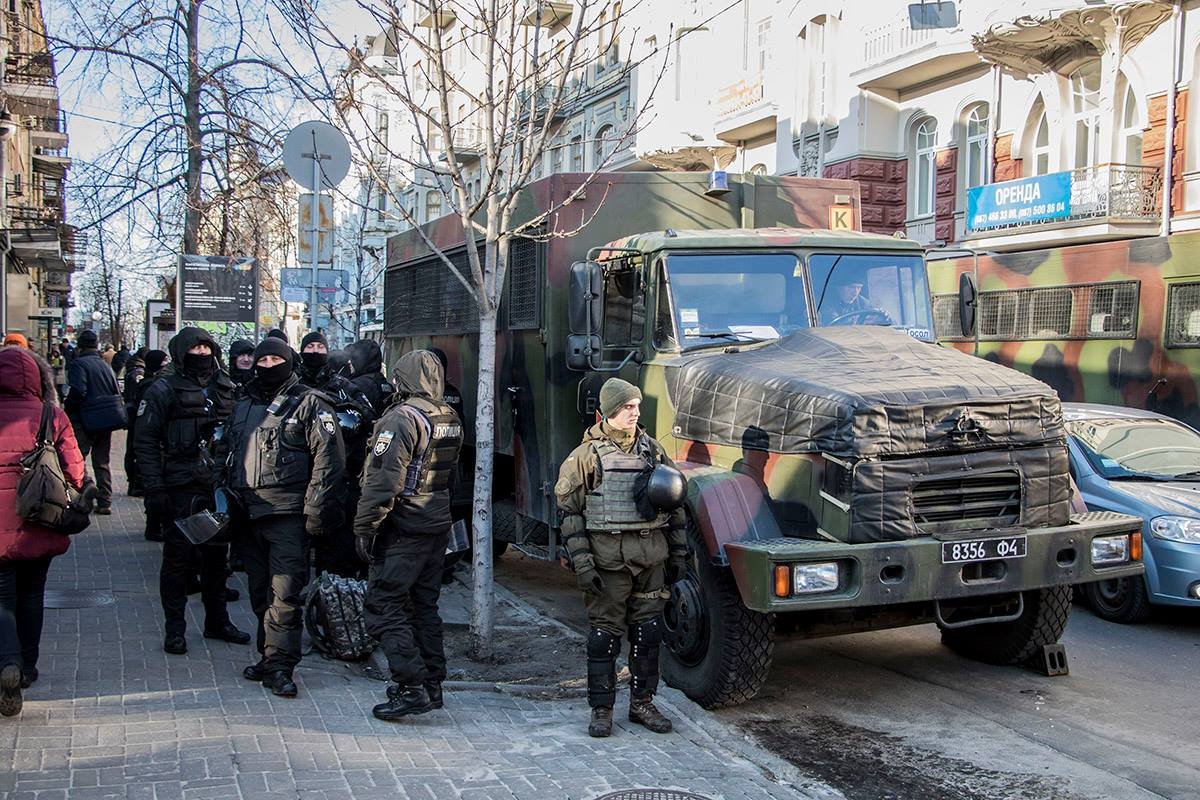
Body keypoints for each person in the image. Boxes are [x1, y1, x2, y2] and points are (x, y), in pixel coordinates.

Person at [554, 377, 688, 738]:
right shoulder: (585, 457)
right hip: (608, 562)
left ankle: (642, 702)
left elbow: (675, 508)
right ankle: (602, 709)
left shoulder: (653, 452)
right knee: (604, 637)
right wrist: (583, 565)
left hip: (651, 559)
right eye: (628, 407)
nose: (635, 413)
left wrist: (678, 554)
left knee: (648, 633)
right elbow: (569, 516)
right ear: (609, 411)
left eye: (637, 406)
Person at [223, 336, 345, 697]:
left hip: (287, 514)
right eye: (262, 360)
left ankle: (280, 667)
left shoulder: (310, 403)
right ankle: (268, 655)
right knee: (260, 593)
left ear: (289, 361)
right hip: (247, 512)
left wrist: (316, 512)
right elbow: (227, 451)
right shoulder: (244, 403)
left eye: (276, 359)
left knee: (285, 594)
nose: (267, 366)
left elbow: (329, 462)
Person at [355, 350, 464, 721]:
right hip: (435, 526)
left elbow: (384, 481)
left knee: (383, 607)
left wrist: (365, 528)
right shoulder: (448, 416)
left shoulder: (401, 418)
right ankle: (432, 685)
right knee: (424, 608)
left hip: (403, 527)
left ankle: (410, 687)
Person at [133, 328, 248, 655]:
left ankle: (217, 621)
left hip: (217, 487)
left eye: (206, 347)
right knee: (178, 562)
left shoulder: (226, 386)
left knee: (216, 558)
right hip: (180, 486)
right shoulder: (163, 388)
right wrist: (154, 486)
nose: (201, 353)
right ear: (182, 351)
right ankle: (175, 629)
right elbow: (146, 439)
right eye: (195, 348)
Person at [0, 347, 86, 717]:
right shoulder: (52, 415)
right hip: (39, 517)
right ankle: (29, 667)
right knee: (33, 594)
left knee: (1, 598)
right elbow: (76, 471)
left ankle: (8, 662)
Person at [64, 329, 126, 515]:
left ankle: (83, 492)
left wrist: (68, 409)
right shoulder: (105, 365)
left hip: (84, 419)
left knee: (77, 458)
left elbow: (78, 391)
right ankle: (105, 501)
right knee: (102, 461)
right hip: (106, 420)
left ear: (81, 346)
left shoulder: (79, 364)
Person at [129, 350, 169, 541]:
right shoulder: (153, 388)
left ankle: (154, 525)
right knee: (156, 488)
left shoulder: (148, 383)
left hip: (149, 441)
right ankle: (154, 526)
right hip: (155, 444)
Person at [121, 347, 150, 496]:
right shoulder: (138, 373)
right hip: (136, 415)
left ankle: (133, 482)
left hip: (132, 414)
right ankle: (135, 483)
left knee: (132, 448)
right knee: (134, 449)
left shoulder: (132, 369)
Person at [346, 340, 394, 418]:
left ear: (361, 359)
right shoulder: (386, 384)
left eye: (352, 358)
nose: (349, 362)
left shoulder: (355, 386)